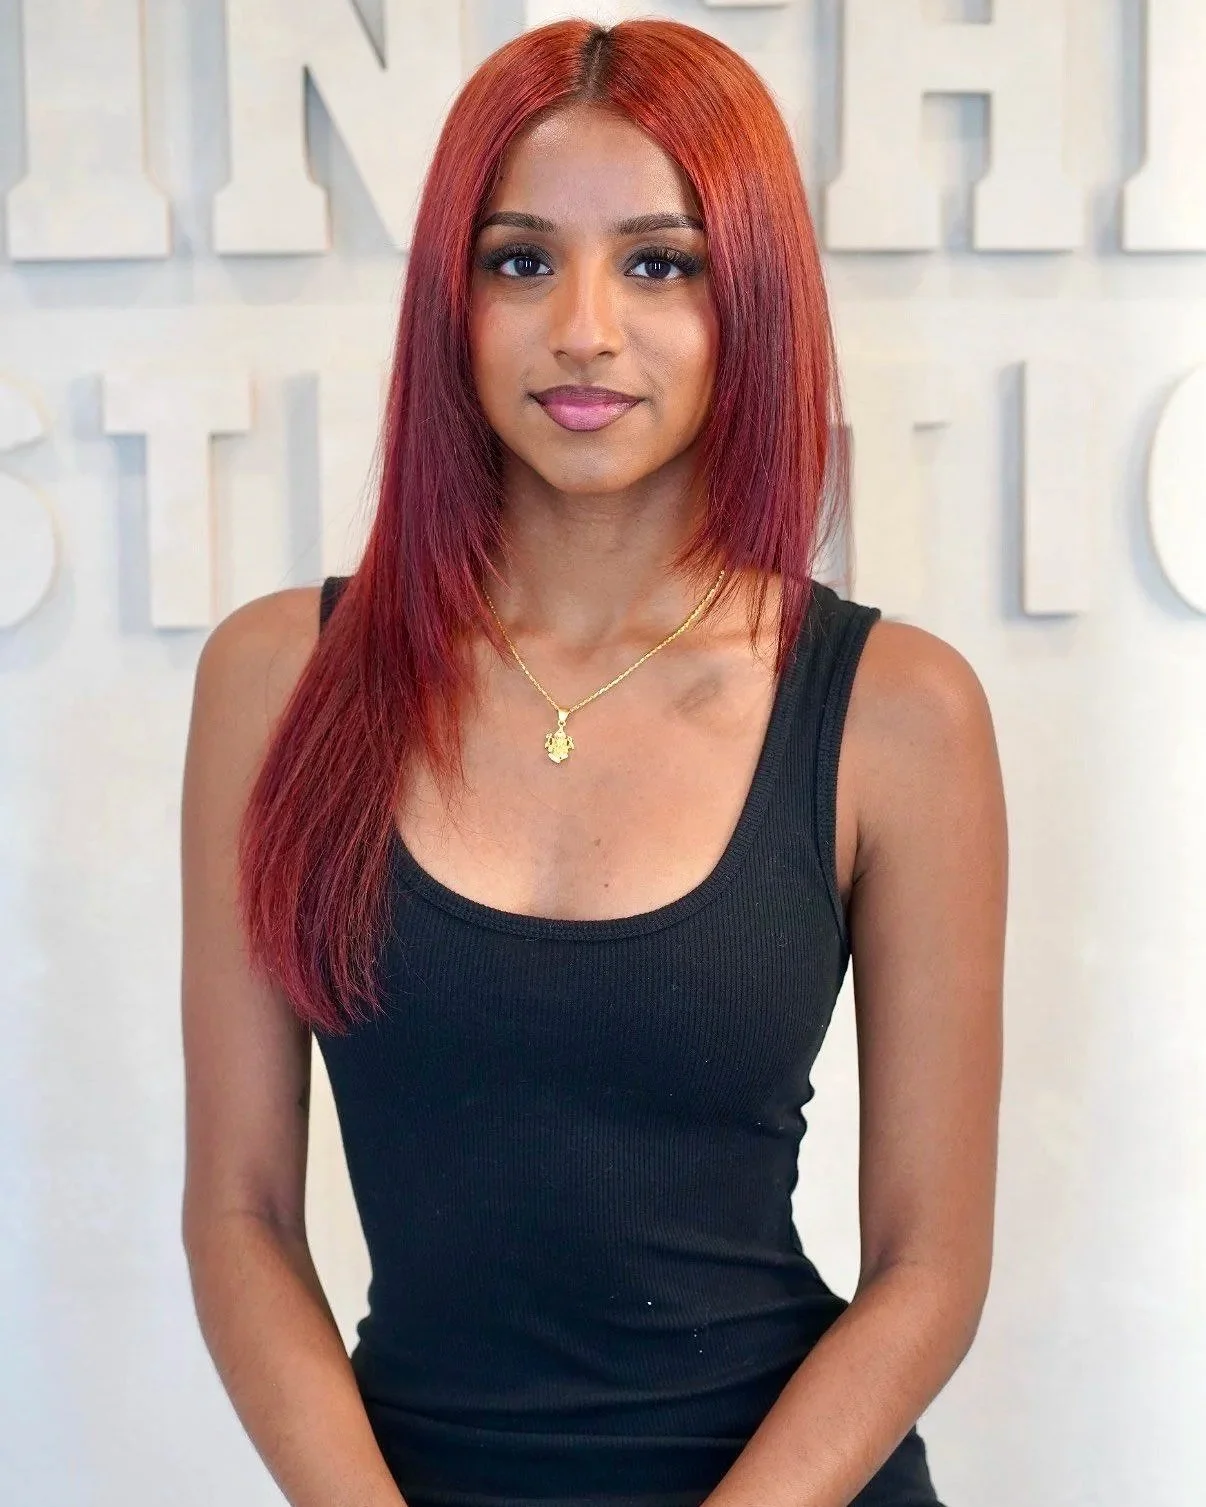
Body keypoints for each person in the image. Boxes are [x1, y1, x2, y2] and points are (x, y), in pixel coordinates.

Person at [180, 18, 1006, 1507]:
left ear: (749, 298)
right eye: (519, 260)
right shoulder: (277, 681)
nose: (583, 328)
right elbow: (240, 1211)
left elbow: (926, 1269)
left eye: (658, 263)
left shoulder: (898, 711)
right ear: (452, 300)